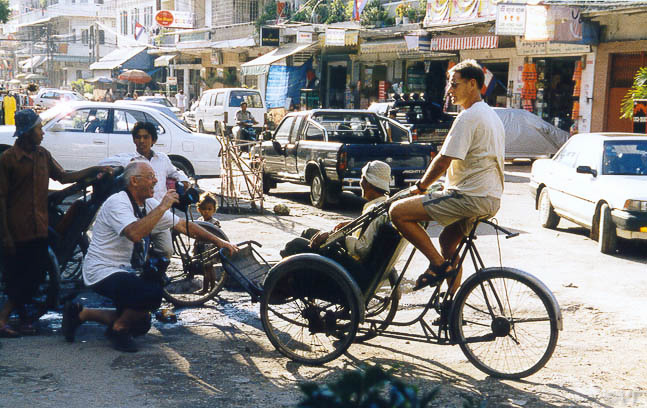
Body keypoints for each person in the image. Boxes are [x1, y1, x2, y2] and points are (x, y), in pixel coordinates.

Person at [62, 161, 238, 352]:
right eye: (151, 177)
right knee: (152, 293)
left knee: (141, 323)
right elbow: (134, 233)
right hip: (102, 270)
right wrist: (162, 207)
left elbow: (183, 225)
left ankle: (80, 314)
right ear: (135, 181)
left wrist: (220, 242)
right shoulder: (117, 202)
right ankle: (118, 329)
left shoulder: (147, 203)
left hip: (125, 270)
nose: (156, 181)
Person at [389, 59, 505, 293]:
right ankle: (451, 305)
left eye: (454, 85)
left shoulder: (469, 116)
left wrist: (421, 187)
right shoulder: (490, 115)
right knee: (447, 242)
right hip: (489, 197)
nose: (449, 91)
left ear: (472, 84)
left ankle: (439, 265)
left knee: (398, 212)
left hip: (469, 196)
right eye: (449, 85)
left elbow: (443, 159)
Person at [0, 109, 112, 337]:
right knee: (17, 277)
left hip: (39, 227)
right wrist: (5, 235)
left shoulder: (43, 155)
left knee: (35, 275)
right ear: (27, 133)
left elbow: (64, 177)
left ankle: (22, 319)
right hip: (15, 229)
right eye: (39, 129)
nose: (42, 133)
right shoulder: (8, 160)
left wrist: (95, 169)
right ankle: (4, 318)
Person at [99, 121, 190, 259]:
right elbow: (103, 163)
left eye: (146, 137)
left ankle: (154, 265)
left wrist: (184, 181)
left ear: (153, 140)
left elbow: (175, 172)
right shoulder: (129, 160)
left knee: (167, 251)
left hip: (160, 213)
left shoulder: (162, 159)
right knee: (136, 253)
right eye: (138, 137)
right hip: (139, 216)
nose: (141, 141)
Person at [281, 161, 392, 265]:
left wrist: (337, 237)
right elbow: (367, 229)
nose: (361, 183)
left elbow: (361, 249)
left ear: (369, 183)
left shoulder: (375, 210)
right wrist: (351, 225)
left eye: (363, 179)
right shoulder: (381, 206)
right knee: (308, 233)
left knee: (295, 245)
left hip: (350, 265)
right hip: (353, 258)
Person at [194, 193, 220, 293]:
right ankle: (205, 288)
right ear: (199, 209)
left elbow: (218, 236)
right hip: (201, 247)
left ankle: (212, 288)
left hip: (210, 248)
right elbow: (196, 234)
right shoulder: (199, 221)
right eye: (204, 209)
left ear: (214, 210)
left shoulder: (215, 223)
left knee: (209, 268)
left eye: (209, 209)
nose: (206, 211)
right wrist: (195, 246)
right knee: (205, 268)